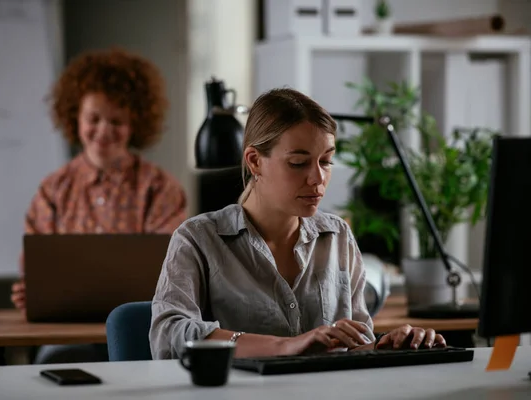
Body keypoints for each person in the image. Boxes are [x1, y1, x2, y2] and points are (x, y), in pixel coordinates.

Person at [149, 88, 446, 359]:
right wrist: (284, 345)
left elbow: (355, 345)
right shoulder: (198, 239)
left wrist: (386, 346)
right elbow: (168, 335)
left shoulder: (337, 235)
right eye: (298, 163)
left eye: (326, 161)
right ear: (254, 161)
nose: (317, 178)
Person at [11, 48, 187, 363]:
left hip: (138, 332)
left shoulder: (160, 189)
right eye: (94, 118)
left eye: (116, 120)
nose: (104, 131)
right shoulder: (53, 190)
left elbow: (171, 271)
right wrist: (32, 292)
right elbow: (34, 270)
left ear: (136, 123)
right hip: (64, 336)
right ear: (75, 117)